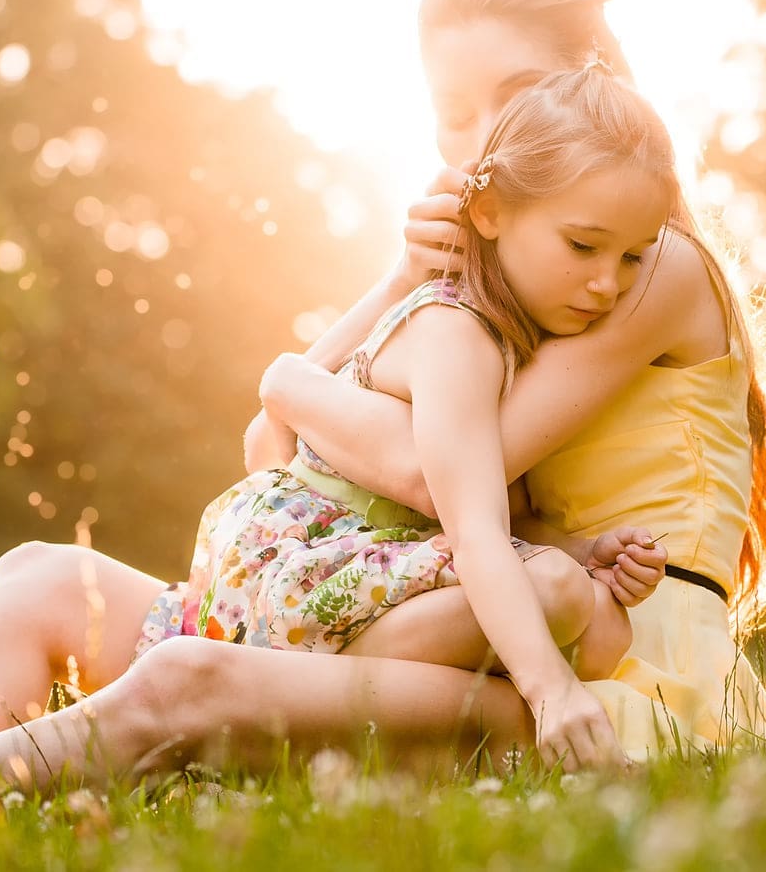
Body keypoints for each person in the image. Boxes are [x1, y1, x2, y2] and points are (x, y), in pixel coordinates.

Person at [0, 0, 766, 791]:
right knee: (41, 577)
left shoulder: (639, 266)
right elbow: (270, 455)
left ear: (592, 87)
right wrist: (396, 279)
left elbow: (435, 474)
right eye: (448, 117)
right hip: (441, 616)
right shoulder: (500, 284)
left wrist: (291, 381)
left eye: (510, 102)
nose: (476, 149)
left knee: (190, 677)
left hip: (614, 666)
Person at [134, 64, 675, 714]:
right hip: (308, 562)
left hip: (382, 552)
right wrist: (549, 689)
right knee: (555, 594)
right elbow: (473, 527)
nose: (608, 286)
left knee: (601, 620)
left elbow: (490, 509)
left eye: (632, 258)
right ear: (489, 211)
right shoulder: (455, 329)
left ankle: (305, 681)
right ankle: (272, 679)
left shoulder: (512, 336)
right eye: (585, 245)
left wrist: (586, 551)